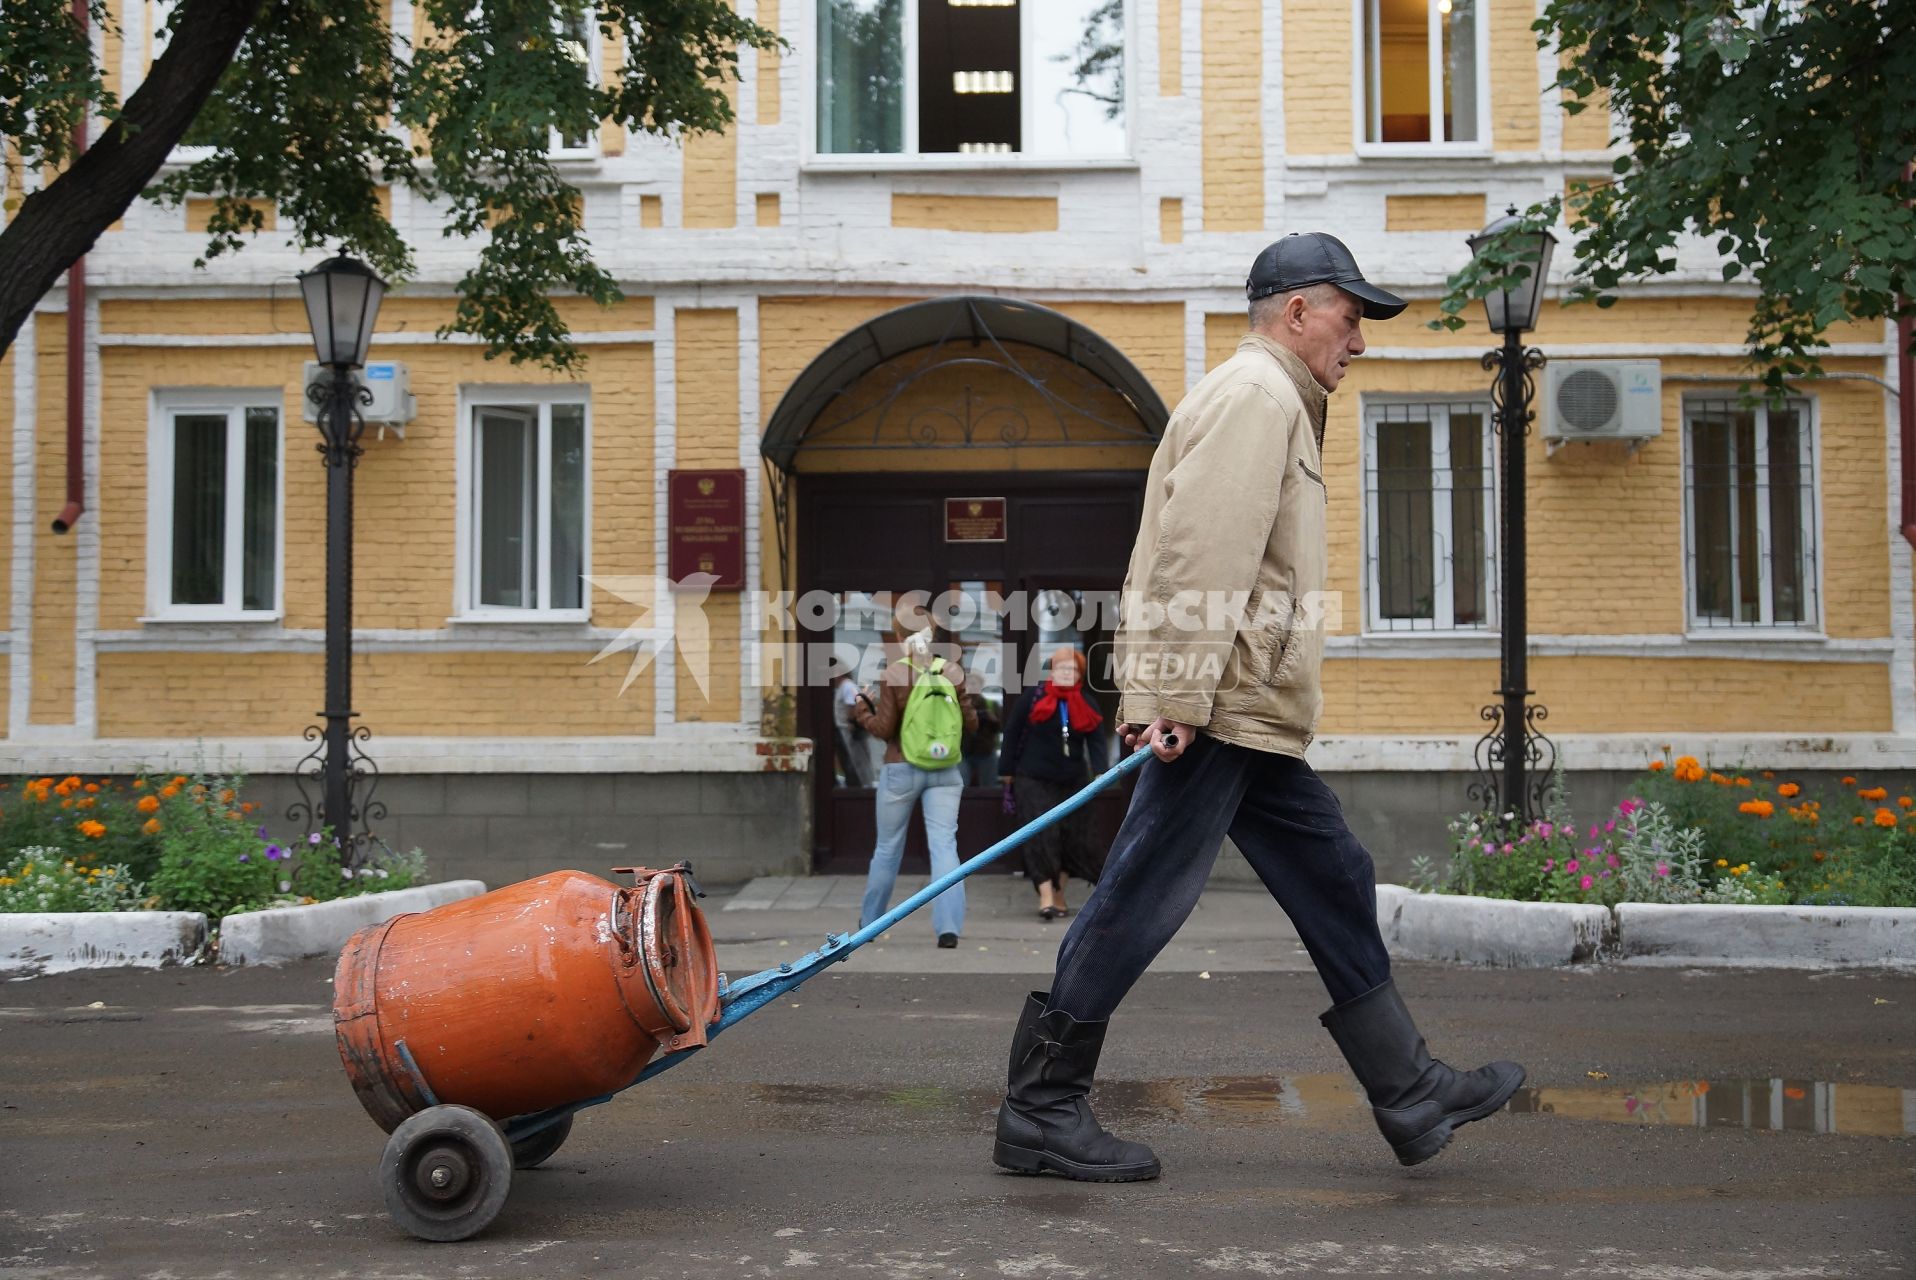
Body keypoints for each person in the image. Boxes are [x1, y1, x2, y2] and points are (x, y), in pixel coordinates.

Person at [991, 233, 1526, 1182]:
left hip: (1245, 704)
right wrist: (1178, 698)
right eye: (1350, 317)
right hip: (1223, 703)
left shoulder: (1273, 398)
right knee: (1137, 899)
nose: (1357, 340)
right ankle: (1040, 1108)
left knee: (1333, 871)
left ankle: (1409, 1090)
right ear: (1297, 311)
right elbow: (1199, 558)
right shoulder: (1257, 397)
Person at [853, 615, 979, 948]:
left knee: (887, 849)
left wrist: (862, 710)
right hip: (946, 770)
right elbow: (972, 722)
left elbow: (883, 730)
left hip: (901, 769)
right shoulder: (952, 671)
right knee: (944, 846)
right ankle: (949, 929)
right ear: (933, 633)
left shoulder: (895, 673)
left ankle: (870, 926)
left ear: (898, 635)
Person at [998, 647, 1106, 920]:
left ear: (1079, 674)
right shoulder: (1033, 698)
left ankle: (1058, 893)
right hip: (1033, 779)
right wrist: (1006, 771)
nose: (1066, 673)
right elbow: (1011, 732)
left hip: (1073, 782)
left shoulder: (1086, 701)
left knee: (1072, 838)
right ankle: (1046, 896)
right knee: (1041, 834)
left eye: (1072, 669)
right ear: (1051, 671)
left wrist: (1102, 774)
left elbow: (1097, 742)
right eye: (1061, 668)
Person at [831, 674, 871, 788]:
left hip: (849, 729)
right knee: (850, 759)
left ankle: (860, 785)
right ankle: (856, 783)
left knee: (855, 759)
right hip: (844, 728)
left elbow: (852, 704)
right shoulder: (843, 687)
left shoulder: (847, 686)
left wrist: (851, 722)